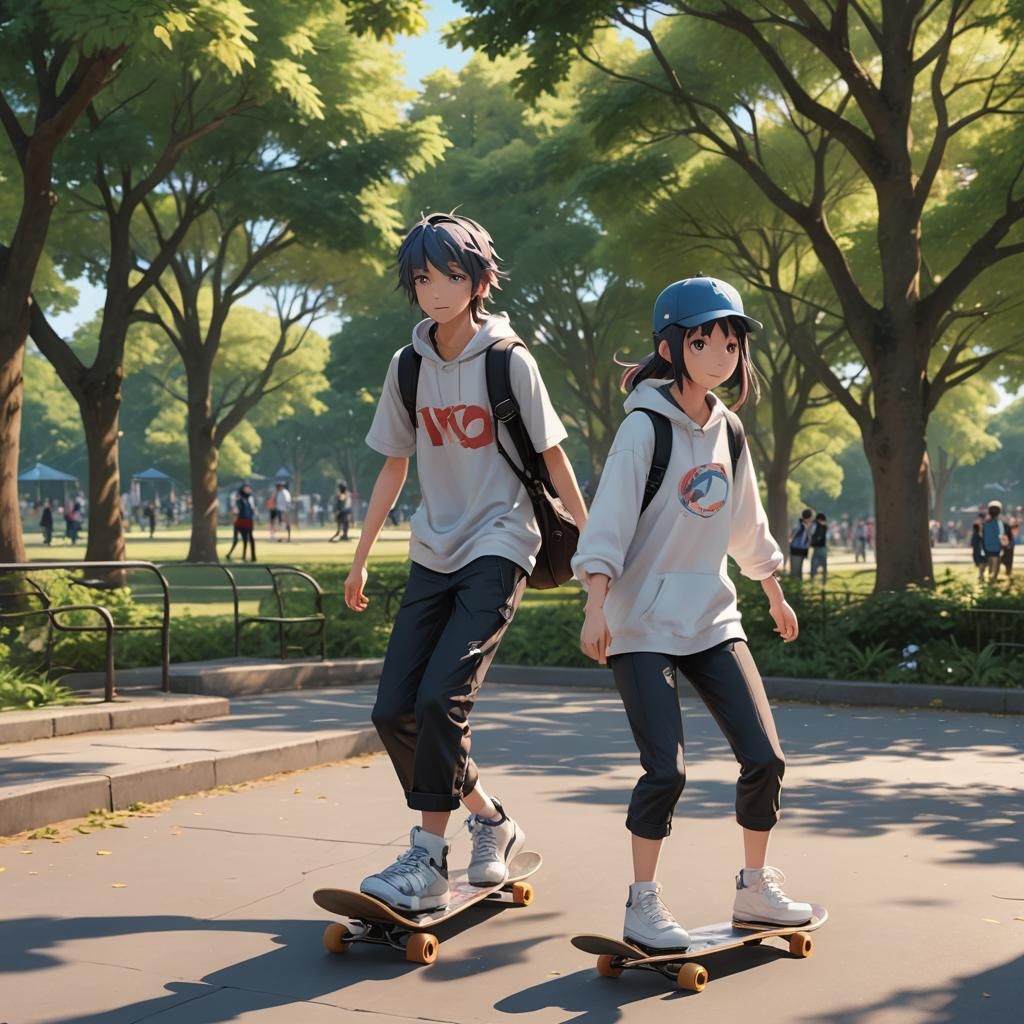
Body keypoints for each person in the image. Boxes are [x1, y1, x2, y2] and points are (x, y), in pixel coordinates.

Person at [347, 212, 587, 911]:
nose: (435, 290)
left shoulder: (509, 360)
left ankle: (427, 858)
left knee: (439, 698)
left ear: (479, 279)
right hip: (432, 549)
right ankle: (491, 820)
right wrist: (361, 559)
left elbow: (553, 458)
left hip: (501, 543)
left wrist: (600, 553)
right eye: (422, 277)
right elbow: (394, 468)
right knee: (394, 710)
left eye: (450, 274)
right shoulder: (409, 365)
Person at [575, 275, 810, 952]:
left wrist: (770, 588)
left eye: (731, 341)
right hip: (639, 625)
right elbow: (609, 527)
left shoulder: (728, 431)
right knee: (666, 770)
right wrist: (596, 607)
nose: (721, 353)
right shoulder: (642, 430)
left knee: (765, 757)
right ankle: (642, 903)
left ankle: (754, 888)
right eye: (705, 339)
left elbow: (746, 524)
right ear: (672, 346)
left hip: (711, 618)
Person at [226, 484, 256, 562]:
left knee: (249, 539)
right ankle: (243, 556)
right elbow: (237, 510)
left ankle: (252, 556)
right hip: (242, 521)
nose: (249, 490)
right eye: (247, 489)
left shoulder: (249, 499)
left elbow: (251, 510)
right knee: (243, 539)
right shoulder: (240, 499)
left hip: (248, 520)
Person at [982, 501, 1008, 582]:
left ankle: (990, 579)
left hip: (988, 548)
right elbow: (1001, 536)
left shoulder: (986, 524)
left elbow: (984, 537)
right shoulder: (1000, 524)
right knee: (995, 566)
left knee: (990, 565)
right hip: (997, 548)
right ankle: (992, 579)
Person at [789, 508, 813, 578]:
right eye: (810, 518)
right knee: (795, 573)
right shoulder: (799, 526)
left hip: (802, 552)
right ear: (807, 518)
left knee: (799, 573)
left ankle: (799, 586)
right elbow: (793, 538)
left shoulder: (807, 527)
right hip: (796, 551)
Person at [810, 511, 829, 583]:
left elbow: (815, 536)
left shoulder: (817, 526)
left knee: (814, 565)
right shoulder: (825, 527)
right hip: (823, 548)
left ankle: (812, 580)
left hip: (818, 548)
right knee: (824, 565)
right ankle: (824, 581)